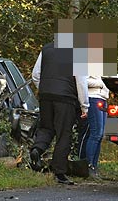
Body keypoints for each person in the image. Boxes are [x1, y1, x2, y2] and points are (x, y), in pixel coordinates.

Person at [30, 41, 89, 185]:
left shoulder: (46, 48)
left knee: (46, 128)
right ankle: (59, 172)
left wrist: (45, 89)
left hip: (45, 96)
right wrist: (84, 105)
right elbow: (81, 82)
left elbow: (35, 75)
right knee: (64, 134)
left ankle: (37, 149)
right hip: (65, 98)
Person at [78, 75, 109, 177]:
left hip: (103, 98)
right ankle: (88, 166)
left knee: (100, 135)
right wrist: (100, 83)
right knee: (96, 133)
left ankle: (94, 167)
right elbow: (81, 80)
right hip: (93, 97)